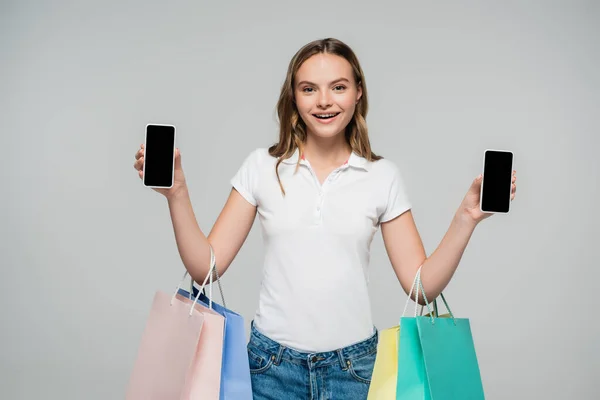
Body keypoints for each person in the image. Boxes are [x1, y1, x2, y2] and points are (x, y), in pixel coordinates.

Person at [133, 37, 517, 399]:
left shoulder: (382, 176)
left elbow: (421, 288)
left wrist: (467, 217)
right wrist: (177, 194)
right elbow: (206, 270)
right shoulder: (262, 167)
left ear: (357, 92)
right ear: (294, 97)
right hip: (271, 369)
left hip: (355, 370)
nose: (324, 101)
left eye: (338, 87)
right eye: (308, 88)